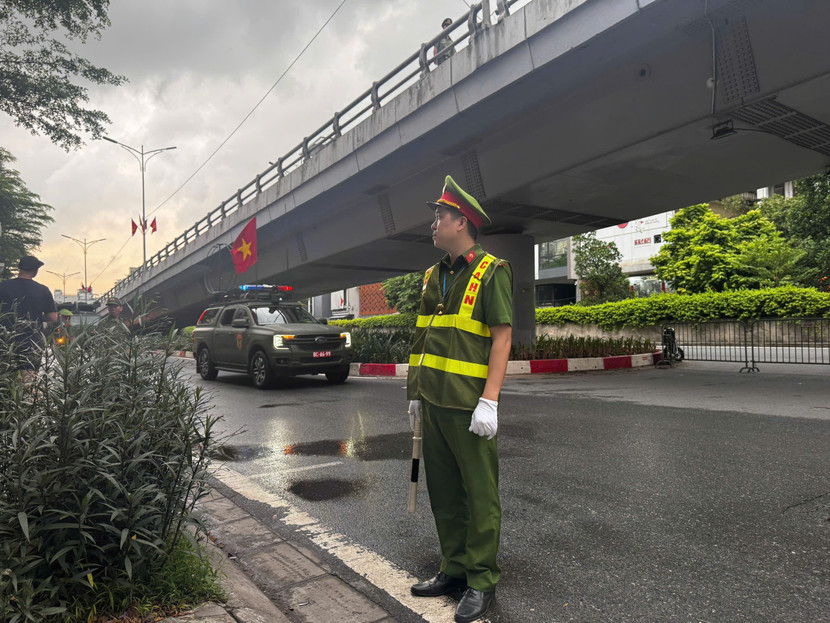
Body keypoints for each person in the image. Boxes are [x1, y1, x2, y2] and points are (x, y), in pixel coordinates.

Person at [407, 176, 513, 623]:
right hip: (432, 403)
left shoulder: (492, 271)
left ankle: (481, 578)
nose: (433, 223)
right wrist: (414, 395)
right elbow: (422, 339)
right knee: (444, 492)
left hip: (470, 406)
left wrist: (490, 400)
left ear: (461, 222)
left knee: (479, 495)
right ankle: (452, 569)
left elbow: (503, 338)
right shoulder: (433, 275)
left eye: (440, 216)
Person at [0, 255, 58, 379]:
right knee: (28, 384)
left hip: (4, 340)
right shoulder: (42, 290)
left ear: (19, 268)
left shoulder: (2, 287)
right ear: (36, 271)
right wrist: (38, 317)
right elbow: (53, 317)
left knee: (4, 381)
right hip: (31, 342)